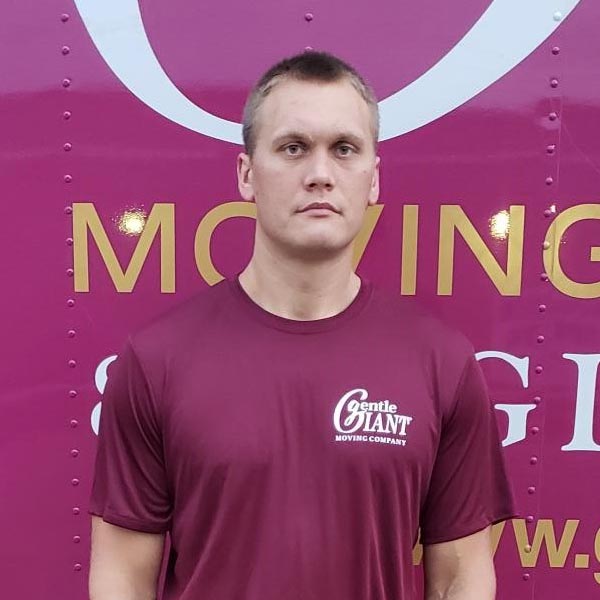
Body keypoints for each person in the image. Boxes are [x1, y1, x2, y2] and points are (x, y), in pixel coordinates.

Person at [88, 50, 517, 600]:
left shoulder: (441, 362)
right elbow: (121, 576)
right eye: (293, 148)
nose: (320, 175)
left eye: (344, 149)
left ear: (373, 178)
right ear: (247, 174)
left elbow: (461, 576)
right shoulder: (157, 361)